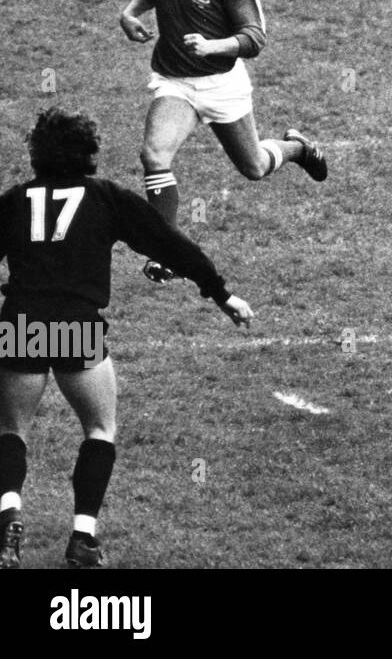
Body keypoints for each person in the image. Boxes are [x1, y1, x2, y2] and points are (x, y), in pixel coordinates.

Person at [0, 108, 252, 569]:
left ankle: (9, 512)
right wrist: (222, 294)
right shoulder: (106, 198)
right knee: (99, 429)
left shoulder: (15, 200)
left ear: (37, 153)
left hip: (22, 323)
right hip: (78, 323)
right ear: (89, 152)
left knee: (12, 429)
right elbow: (171, 244)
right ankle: (82, 538)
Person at [119, 0, 327, 283]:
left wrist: (215, 46)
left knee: (254, 168)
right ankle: (167, 252)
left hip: (222, 86)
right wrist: (130, 14)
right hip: (175, 81)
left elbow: (254, 38)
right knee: (154, 155)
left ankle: (296, 147)